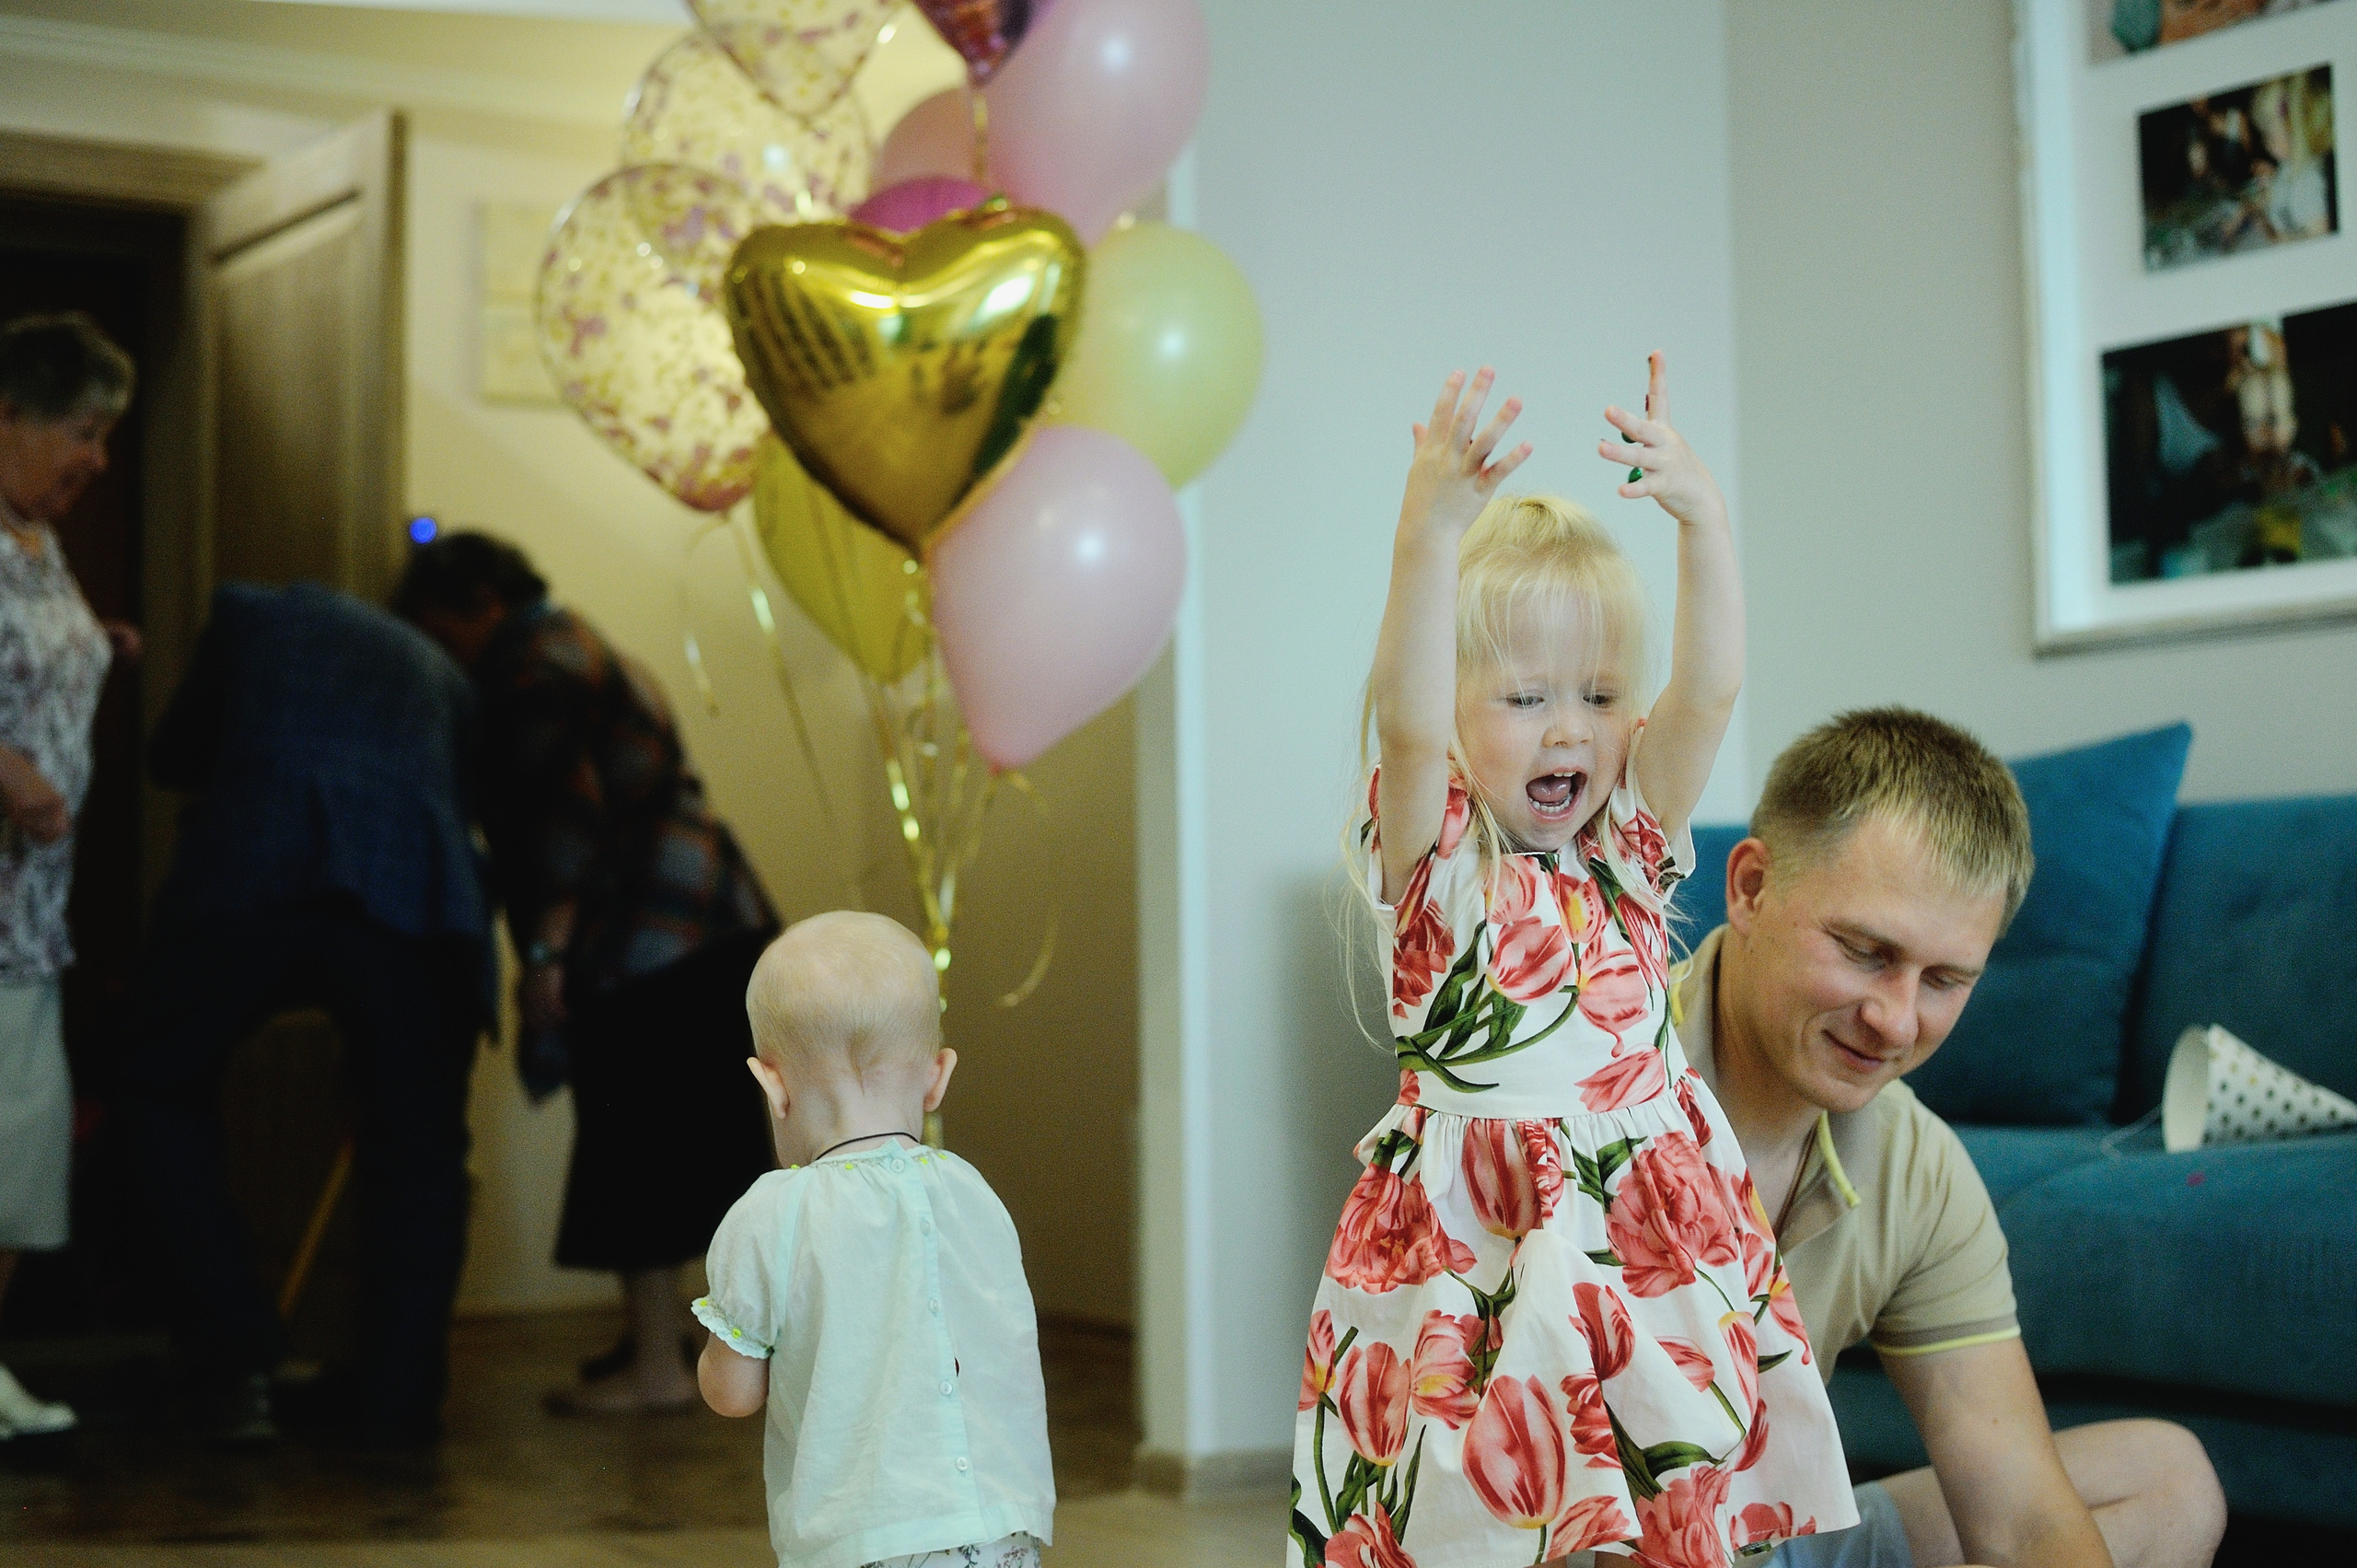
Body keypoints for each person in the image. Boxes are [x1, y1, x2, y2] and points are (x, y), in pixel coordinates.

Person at [1291, 359, 1854, 1566]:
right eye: (1526, 694)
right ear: (1453, 720)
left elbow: (1707, 690)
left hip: (1641, 1234)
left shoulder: (1628, 852)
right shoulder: (1436, 866)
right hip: (1478, 1248)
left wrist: (1703, 520)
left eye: (1599, 694)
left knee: (1654, 1520)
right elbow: (1401, 714)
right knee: (1482, 1521)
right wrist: (1428, 531)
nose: (1570, 728)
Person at [1668, 707, 2226, 1568]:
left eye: (1944, 978)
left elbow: (2025, 1521)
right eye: (1864, 950)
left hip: (1752, 1543)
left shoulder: (1918, 1167)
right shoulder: (1584, 1083)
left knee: (2170, 1479)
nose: (1895, 1021)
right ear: (1750, 887)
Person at [394, 532, 779, 1417]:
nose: (440, 650)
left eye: (439, 626)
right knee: (692, 1142)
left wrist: (546, 956)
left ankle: (656, 1370)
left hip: (651, 931)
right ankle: (669, 1349)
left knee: (634, 1141)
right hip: (712, 914)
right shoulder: (579, 638)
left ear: (478, 603)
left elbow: (561, 822)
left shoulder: (530, 668)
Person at [113, 582, 493, 1446]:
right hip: (419, 896)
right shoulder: (441, 670)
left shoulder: (249, 611)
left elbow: (173, 752)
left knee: (154, 1079)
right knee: (419, 1151)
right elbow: (461, 799)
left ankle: (234, 1353)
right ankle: (400, 1401)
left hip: (262, 861)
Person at [693, 912, 1053, 1568]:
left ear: (772, 1085)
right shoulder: (973, 1193)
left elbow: (735, 1392)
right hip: (1003, 1521)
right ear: (936, 1075)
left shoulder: (773, 1214)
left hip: (866, 1539)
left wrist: (715, 1360)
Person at [0, 312, 139, 1441]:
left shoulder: (39, 542)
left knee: (17, 1155)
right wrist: (8, 769)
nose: (96, 458)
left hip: (30, 914)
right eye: (81, 430)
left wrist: (107, 646)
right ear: (9, 413)